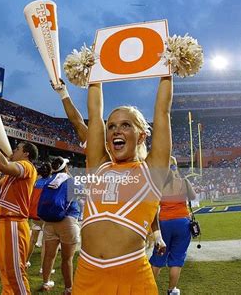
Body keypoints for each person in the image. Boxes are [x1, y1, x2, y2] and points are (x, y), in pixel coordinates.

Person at [72, 76, 173, 294]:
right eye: (112, 126)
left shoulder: (151, 171)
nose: (116, 130)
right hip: (86, 275)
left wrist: (167, 72)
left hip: (131, 277)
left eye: (126, 125)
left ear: (141, 136)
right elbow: (95, 114)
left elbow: (163, 112)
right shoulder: (98, 165)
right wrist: (94, 74)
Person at [0, 120, 39, 295]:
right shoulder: (13, 173)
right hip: (7, 222)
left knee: (15, 270)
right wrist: (1, 166)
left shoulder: (26, 166)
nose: (13, 151)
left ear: (26, 153)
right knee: (6, 269)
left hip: (15, 222)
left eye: (17, 149)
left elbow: (5, 166)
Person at [150, 156, 197, 295]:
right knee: (177, 259)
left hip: (164, 223)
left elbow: (153, 206)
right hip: (183, 223)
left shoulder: (158, 186)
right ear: (176, 167)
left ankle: (147, 290)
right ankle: (171, 290)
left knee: (158, 258)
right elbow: (193, 197)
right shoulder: (184, 182)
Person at [38, 157, 80, 294]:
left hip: (49, 221)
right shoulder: (70, 180)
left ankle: (46, 282)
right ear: (66, 167)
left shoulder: (49, 180)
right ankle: (68, 289)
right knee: (67, 258)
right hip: (67, 220)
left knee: (49, 255)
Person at [26, 162, 52, 270]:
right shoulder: (51, 183)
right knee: (45, 242)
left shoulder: (36, 182)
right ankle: (43, 268)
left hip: (35, 214)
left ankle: (26, 261)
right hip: (46, 215)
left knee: (33, 240)